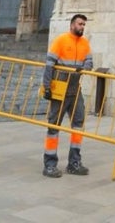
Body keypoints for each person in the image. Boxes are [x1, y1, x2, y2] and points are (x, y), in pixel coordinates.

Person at [41, 13, 93, 178]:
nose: (82, 27)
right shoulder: (61, 40)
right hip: (60, 88)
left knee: (78, 124)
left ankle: (74, 162)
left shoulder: (85, 43)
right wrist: (47, 86)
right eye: (80, 24)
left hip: (75, 89)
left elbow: (90, 61)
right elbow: (49, 64)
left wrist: (85, 67)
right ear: (72, 25)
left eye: (84, 24)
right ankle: (49, 164)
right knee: (54, 125)